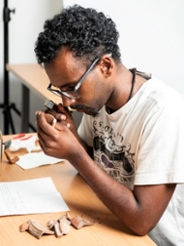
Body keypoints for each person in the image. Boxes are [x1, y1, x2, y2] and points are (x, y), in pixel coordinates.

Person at [34, 5, 184, 245]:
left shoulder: (163, 112)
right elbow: (95, 166)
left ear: (105, 66)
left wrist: (74, 153)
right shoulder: (96, 100)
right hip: (113, 225)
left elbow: (142, 221)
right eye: (60, 91)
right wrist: (72, 136)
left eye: (71, 88)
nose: (67, 101)